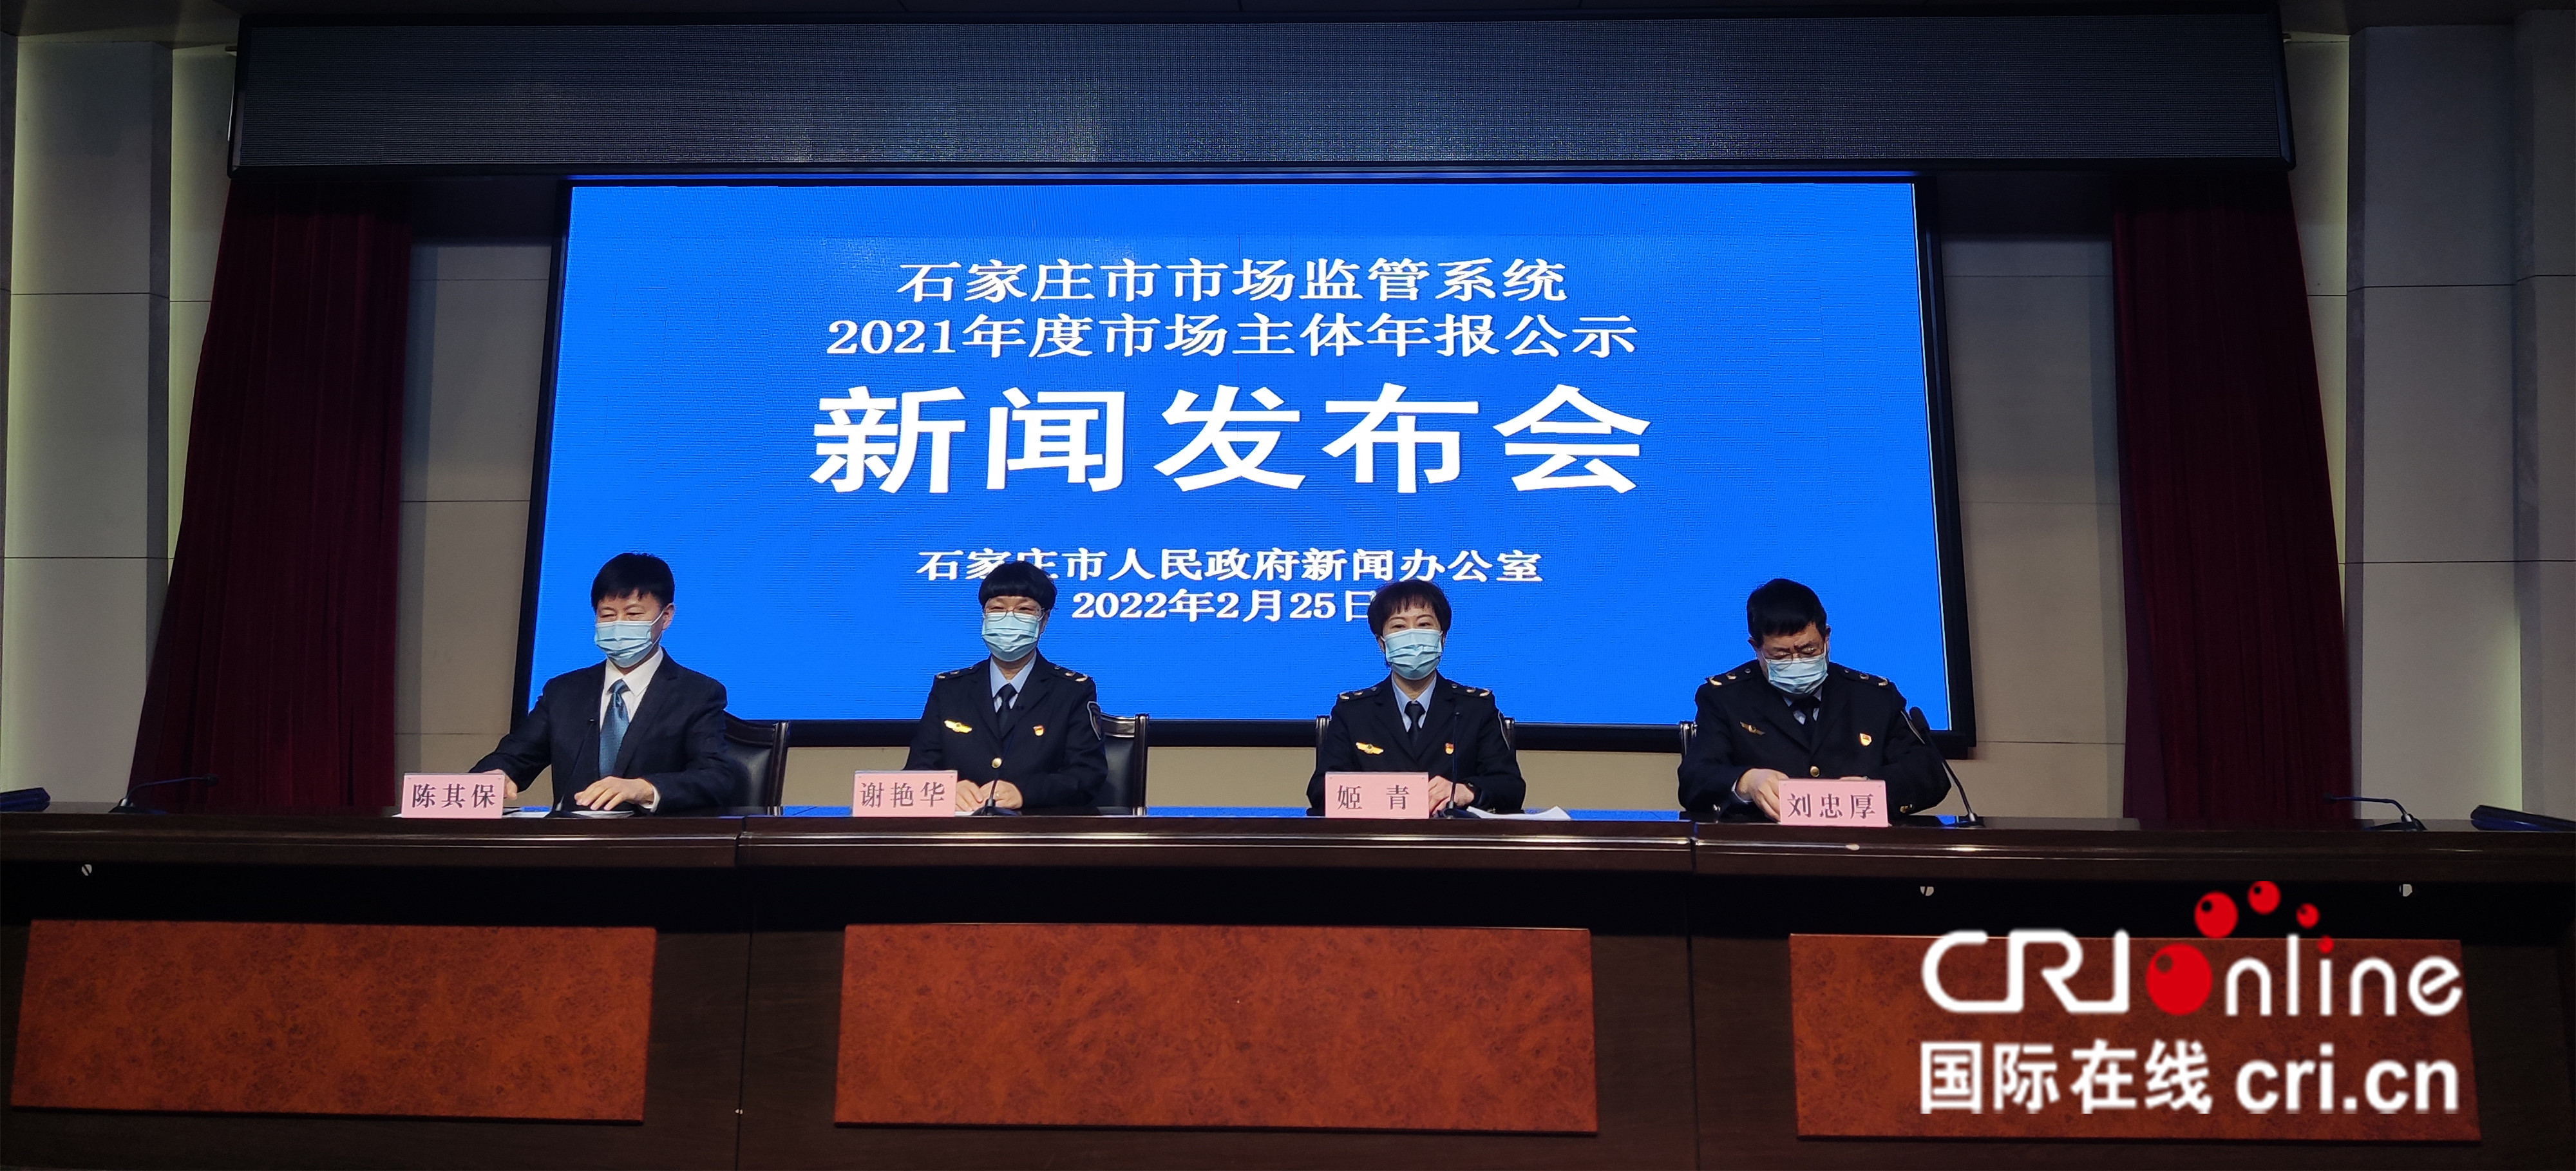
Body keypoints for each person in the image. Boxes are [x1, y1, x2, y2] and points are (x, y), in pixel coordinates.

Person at [476, 553, 744, 812]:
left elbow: (716, 777)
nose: (618, 625)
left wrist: (644, 789)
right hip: (573, 837)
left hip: (653, 837)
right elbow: (515, 755)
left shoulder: (697, 693)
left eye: (633, 614)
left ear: (666, 616)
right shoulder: (563, 692)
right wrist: (499, 775)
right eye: (607, 615)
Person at [1678, 578, 1949, 819]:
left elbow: (1928, 772)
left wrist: (1872, 788)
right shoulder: (1725, 698)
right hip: (1766, 850)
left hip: (1861, 849)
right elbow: (1695, 777)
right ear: (1756, 647)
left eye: (1809, 650)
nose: (1796, 661)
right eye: (1780, 655)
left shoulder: (1874, 697)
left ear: (1826, 638)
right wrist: (1747, 782)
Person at [1308, 578, 1525, 815]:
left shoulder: (1475, 708)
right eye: (1399, 627)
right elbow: (1320, 791)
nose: (1412, 636)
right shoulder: (1354, 712)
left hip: (1452, 835)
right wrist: (1388, 794)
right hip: (1376, 835)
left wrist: (1466, 791)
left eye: (1424, 624)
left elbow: (1510, 787)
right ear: (1382, 643)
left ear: (1442, 637)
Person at [905, 560, 1108, 812]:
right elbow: (917, 770)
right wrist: (945, 789)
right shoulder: (950, 689)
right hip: (961, 829)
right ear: (984, 617)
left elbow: (1087, 775)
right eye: (997, 608)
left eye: (1024, 609)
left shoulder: (1072, 691)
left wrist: (1025, 792)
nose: (1009, 618)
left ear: (1044, 620)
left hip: (1039, 827)